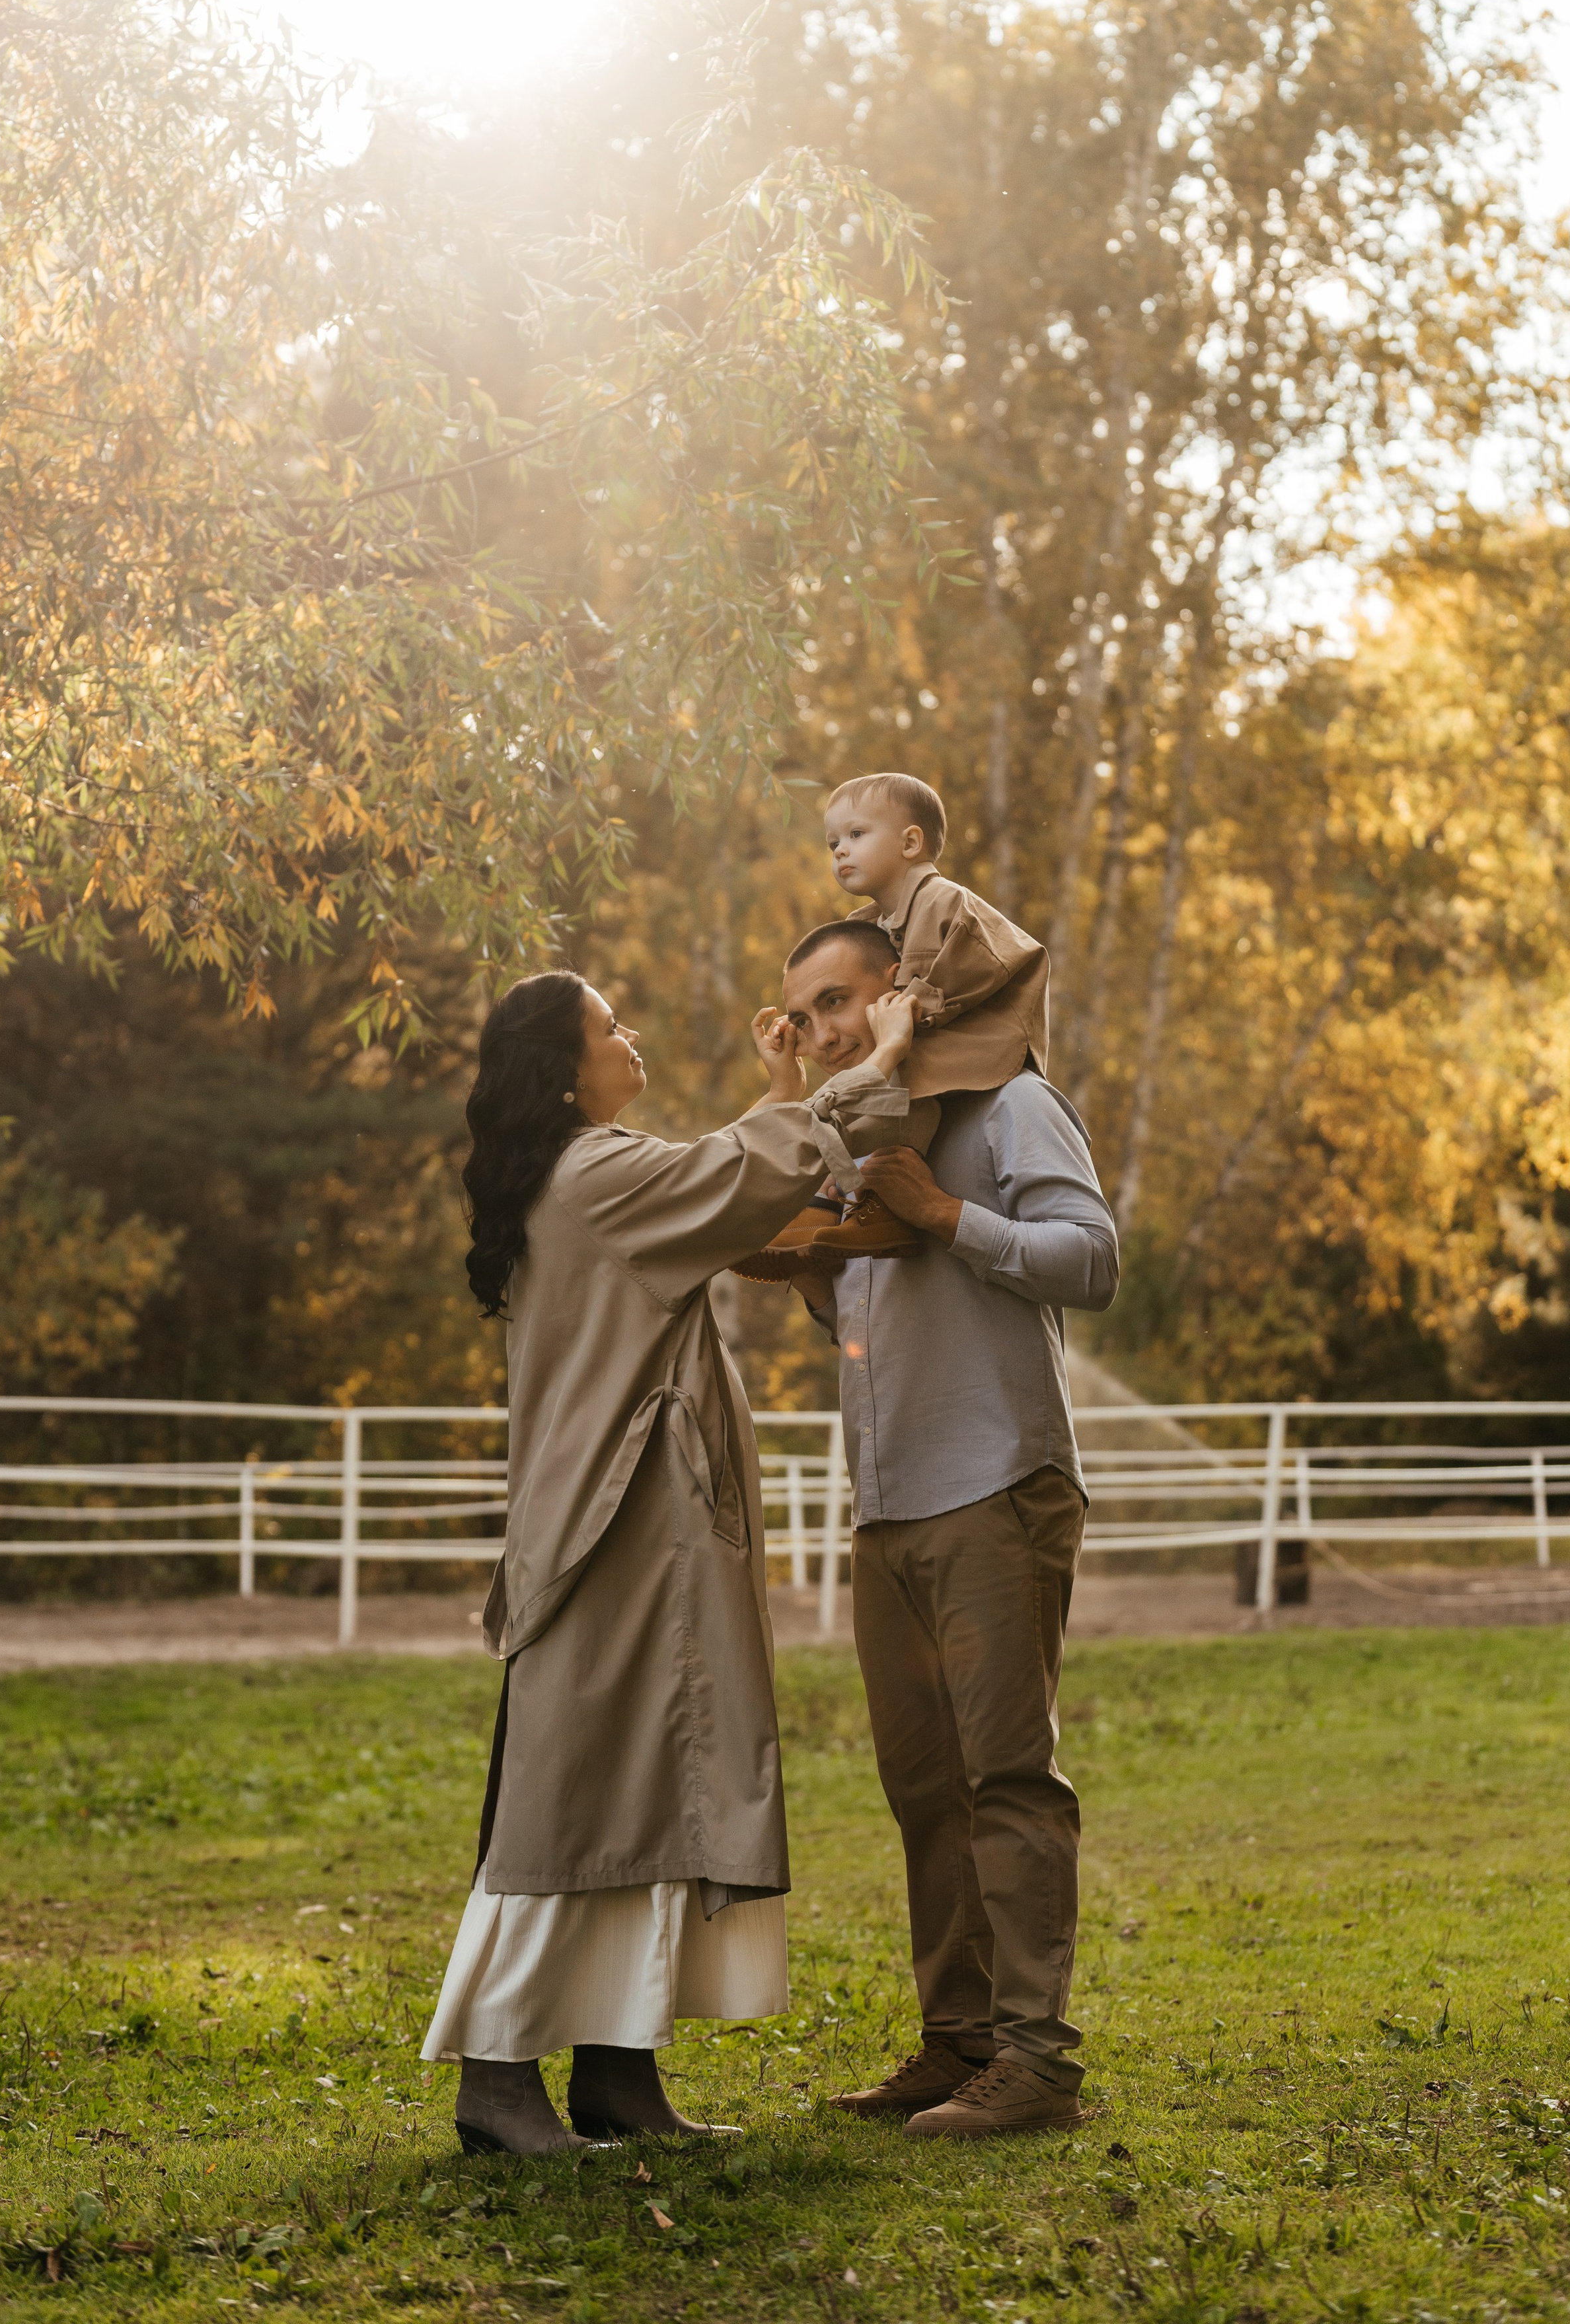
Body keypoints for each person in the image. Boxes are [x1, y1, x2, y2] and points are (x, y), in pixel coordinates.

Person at [421, 966, 916, 2154]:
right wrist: (873, 1065)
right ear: (564, 1069)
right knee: (574, 1798)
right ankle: (496, 2080)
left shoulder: (592, 1173)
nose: (626, 1035)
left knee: (653, 1793)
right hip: (615, 1536)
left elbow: (735, 1183)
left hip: (648, 1535)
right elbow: (738, 1176)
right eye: (607, 1027)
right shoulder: (595, 1177)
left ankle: (620, 2077)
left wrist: (788, 1086)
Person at [776, 923, 1119, 2138]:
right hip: (889, 1504)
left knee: (1009, 1783)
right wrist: (829, 1247)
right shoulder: (860, 1141)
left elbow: (1092, 1261)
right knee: (924, 1790)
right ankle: (956, 2043)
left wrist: (937, 1213)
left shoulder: (1009, 1107)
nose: (821, 1033)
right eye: (803, 1014)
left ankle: (1037, 2066)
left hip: (995, 1486)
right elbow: (862, 1327)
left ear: (901, 1000)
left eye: (837, 1003)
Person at [735, 771, 1049, 1276]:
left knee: (886, 1099)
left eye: (856, 836)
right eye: (833, 842)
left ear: (910, 842)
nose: (840, 852)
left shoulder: (943, 900)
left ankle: (868, 1202)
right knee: (858, 1110)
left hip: (977, 1043)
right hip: (932, 1044)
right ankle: (828, 1200)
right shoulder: (872, 923)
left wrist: (911, 1005)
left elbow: (992, 959)